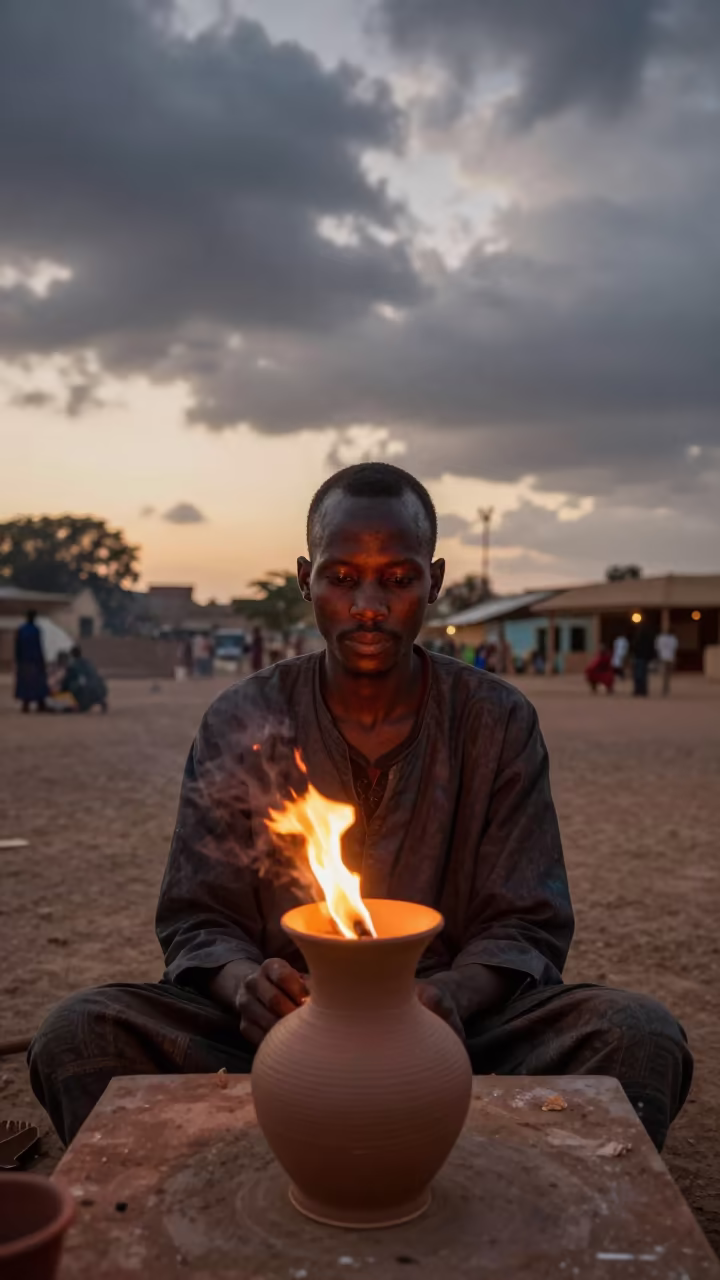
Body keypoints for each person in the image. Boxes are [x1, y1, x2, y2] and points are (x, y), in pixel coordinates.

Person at [29, 462, 691, 1153]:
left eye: (398, 579)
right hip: (277, 1031)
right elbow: (199, 916)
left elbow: (525, 921)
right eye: (342, 578)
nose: (369, 604)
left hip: (457, 1032)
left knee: (637, 1038)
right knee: (79, 1032)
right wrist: (243, 988)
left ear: (433, 580)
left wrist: (453, 996)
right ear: (304, 578)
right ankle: (286, 1140)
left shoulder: (495, 722)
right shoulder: (243, 717)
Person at [14, 610, 49, 713]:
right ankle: (40, 704)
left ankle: (26, 705)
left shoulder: (21, 630)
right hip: (35, 661)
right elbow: (39, 646)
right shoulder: (36, 630)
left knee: (26, 683)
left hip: (24, 661)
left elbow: (17, 647)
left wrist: (18, 659)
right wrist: (42, 660)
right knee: (38, 682)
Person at [60, 646, 108, 713]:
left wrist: (62, 690)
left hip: (85, 693)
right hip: (100, 689)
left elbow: (67, 682)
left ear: (72, 655)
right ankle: (100, 702)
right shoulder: (89, 663)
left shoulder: (73, 666)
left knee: (73, 686)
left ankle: (78, 705)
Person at [631, 622, 656, 697]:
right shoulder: (648, 638)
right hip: (643, 657)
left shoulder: (639, 638)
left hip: (639, 657)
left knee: (638, 675)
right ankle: (642, 690)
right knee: (643, 675)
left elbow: (635, 647)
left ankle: (639, 690)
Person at [655, 629, 678, 697]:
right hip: (670, 657)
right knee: (668, 674)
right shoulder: (673, 639)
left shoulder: (660, 638)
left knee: (663, 673)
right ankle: (666, 687)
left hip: (662, 657)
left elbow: (657, 647)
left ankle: (664, 687)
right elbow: (675, 647)